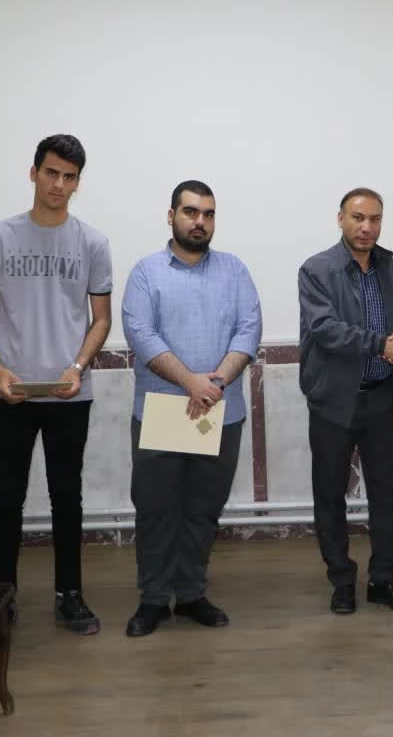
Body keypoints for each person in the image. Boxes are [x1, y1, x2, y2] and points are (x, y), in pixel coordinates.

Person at [0, 133, 112, 634]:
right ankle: (1, 597)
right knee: (7, 498)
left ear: (77, 183)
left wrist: (78, 367)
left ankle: (69, 595)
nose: (58, 184)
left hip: (68, 393)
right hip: (10, 391)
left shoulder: (93, 242)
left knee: (66, 497)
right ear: (34, 173)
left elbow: (101, 319)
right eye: (51, 173)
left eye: (69, 177)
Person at [121, 181, 262, 637]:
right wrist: (191, 382)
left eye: (208, 214)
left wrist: (215, 383)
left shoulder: (234, 271)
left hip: (220, 411)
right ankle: (152, 600)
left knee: (203, 508)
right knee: (156, 509)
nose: (200, 221)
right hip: (164, 411)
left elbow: (249, 329)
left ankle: (191, 594)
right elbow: (141, 335)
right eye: (190, 212)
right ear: (171, 216)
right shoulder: (146, 273)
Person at [298, 188, 393, 616]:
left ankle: (384, 579)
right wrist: (378, 345)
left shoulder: (390, 267)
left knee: (386, 494)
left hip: (383, 398)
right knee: (330, 494)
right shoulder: (316, 269)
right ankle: (342, 580)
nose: (367, 227)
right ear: (340, 219)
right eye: (358, 218)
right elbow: (325, 329)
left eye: (375, 219)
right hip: (333, 400)